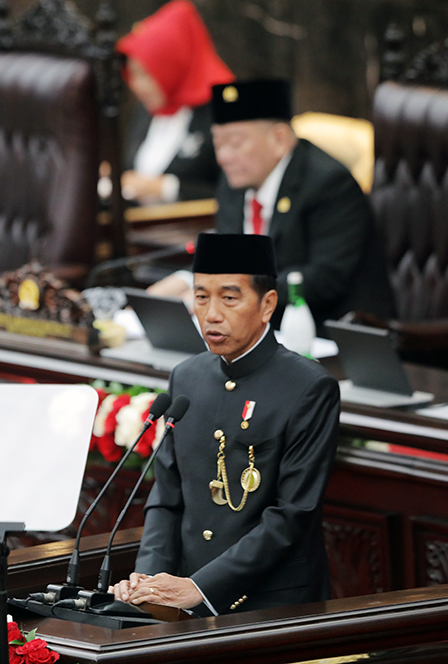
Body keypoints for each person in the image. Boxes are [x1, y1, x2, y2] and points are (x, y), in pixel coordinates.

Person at [112, 232, 340, 615]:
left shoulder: (308, 387)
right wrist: (149, 582)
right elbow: (167, 498)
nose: (211, 313)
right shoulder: (187, 376)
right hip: (184, 595)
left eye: (229, 298)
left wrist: (201, 587)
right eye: (201, 297)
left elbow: (291, 514)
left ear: (268, 304)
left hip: (273, 603)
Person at [149, 79, 395, 329]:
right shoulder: (233, 183)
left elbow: (322, 280)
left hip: (334, 333)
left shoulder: (328, 184)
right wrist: (182, 282)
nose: (223, 158)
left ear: (279, 139)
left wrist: (227, 296)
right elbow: (228, 257)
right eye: (218, 143)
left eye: (235, 143)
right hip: (256, 329)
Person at [116, 0, 233, 205]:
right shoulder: (145, 111)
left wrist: (166, 188)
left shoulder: (221, 112)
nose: (135, 85)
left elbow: (235, 193)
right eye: (132, 74)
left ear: (171, 65)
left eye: (144, 74)